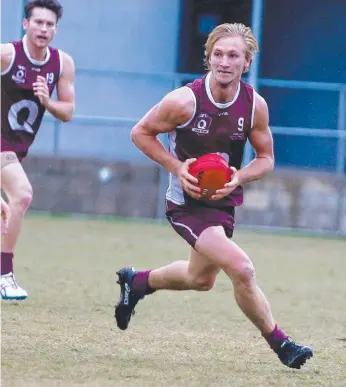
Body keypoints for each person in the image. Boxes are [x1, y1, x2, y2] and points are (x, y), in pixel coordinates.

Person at [114, 23, 313, 369]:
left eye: (233, 55)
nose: (224, 61)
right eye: (217, 54)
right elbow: (140, 133)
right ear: (207, 59)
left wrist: (239, 176)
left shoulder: (254, 106)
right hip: (186, 205)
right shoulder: (182, 101)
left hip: (221, 202)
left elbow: (266, 159)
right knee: (243, 269)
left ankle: (138, 281)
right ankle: (283, 345)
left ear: (246, 62)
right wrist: (177, 168)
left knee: (201, 280)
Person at [1, 0, 75, 300]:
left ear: (56, 29)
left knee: (7, 210)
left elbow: (68, 111)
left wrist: (47, 102)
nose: (44, 29)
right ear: (25, 24)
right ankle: (5, 275)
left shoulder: (62, 63)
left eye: (50, 24)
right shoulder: (7, 54)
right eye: (38, 22)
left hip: (16, 148)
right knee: (23, 194)